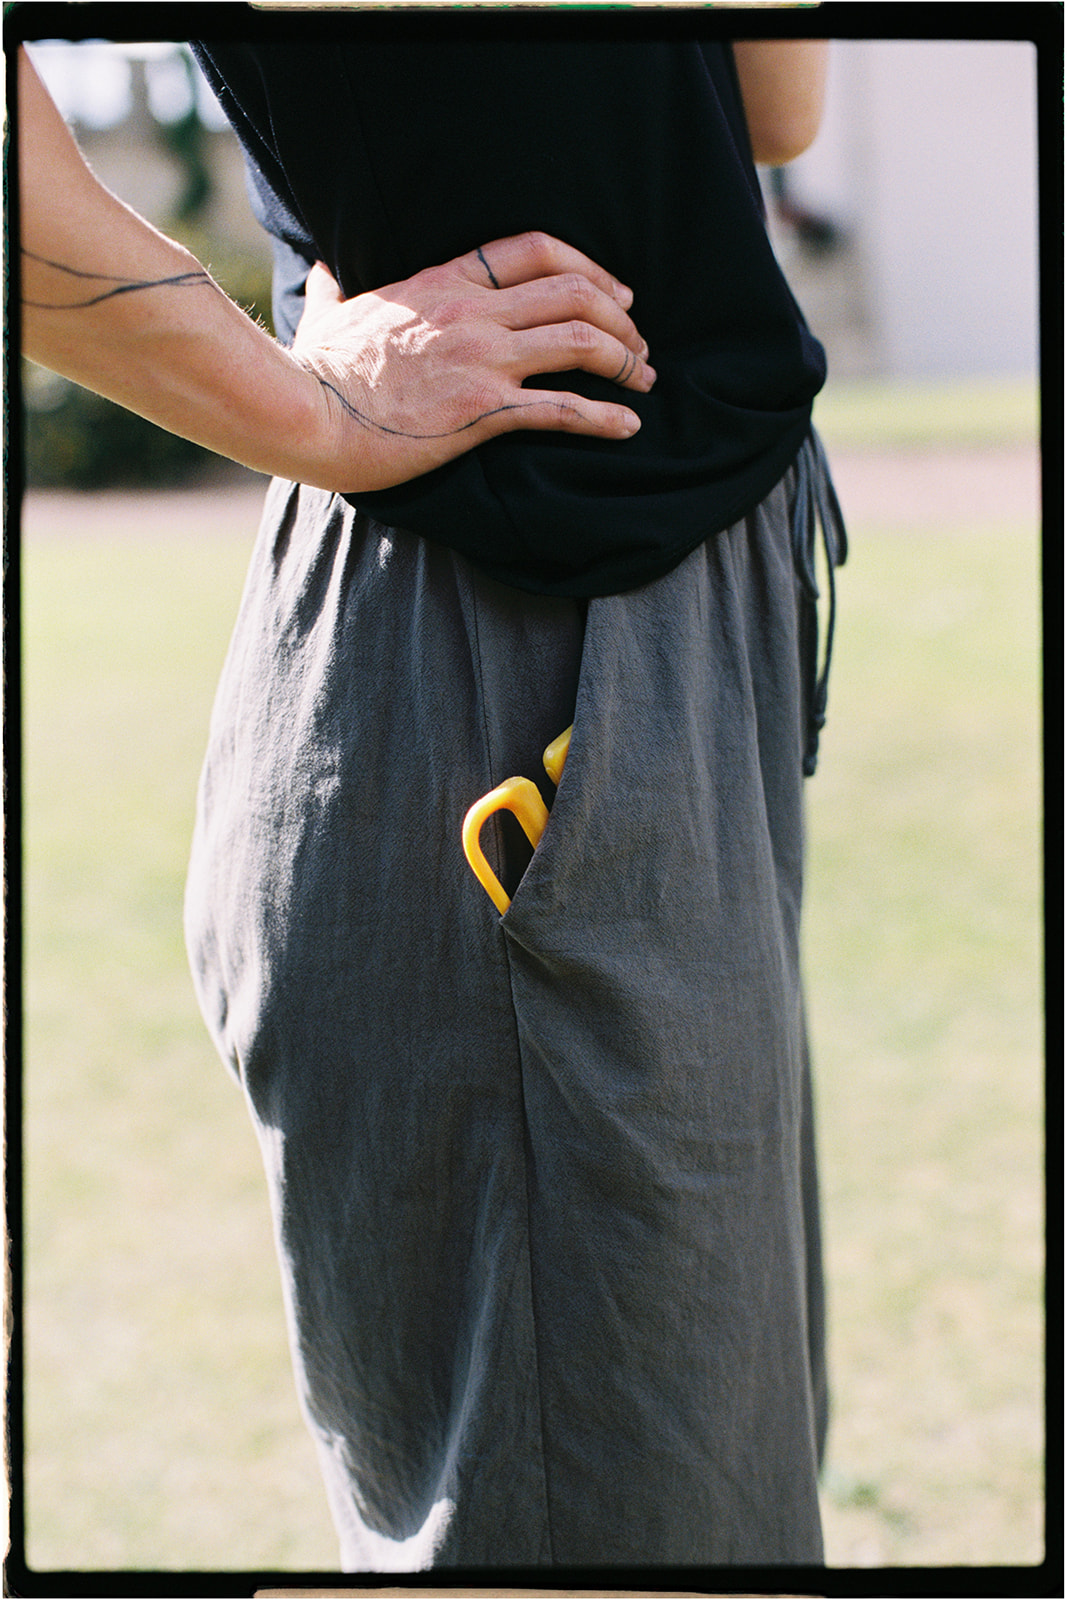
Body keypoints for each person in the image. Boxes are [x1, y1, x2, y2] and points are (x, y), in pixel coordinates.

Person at [18, 25, 844, 1571]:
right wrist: (297, 406)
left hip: (696, 609)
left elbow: (773, 109)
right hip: (497, 634)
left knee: (717, 1484)